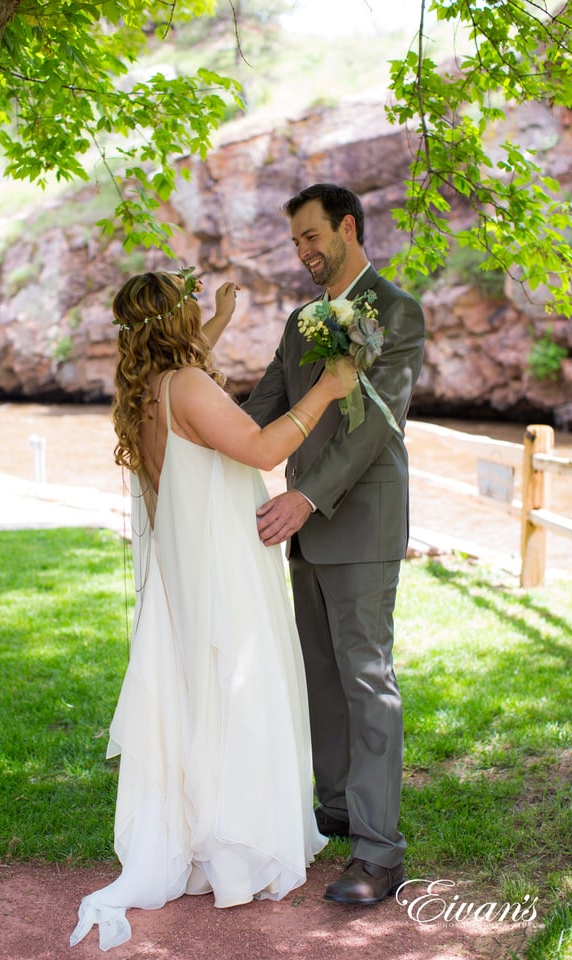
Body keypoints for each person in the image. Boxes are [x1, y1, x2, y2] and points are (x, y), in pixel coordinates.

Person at [70, 269, 356, 951]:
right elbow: (261, 447)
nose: (202, 305)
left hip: (188, 569)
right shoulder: (189, 387)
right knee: (240, 688)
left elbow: (189, 382)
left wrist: (219, 322)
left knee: (205, 689)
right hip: (222, 564)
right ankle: (239, 849)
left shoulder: (147, 389)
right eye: (193, 302)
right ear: (175, 319)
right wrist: (328, 386)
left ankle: (209, 833)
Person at [243, 183, 425, 906]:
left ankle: (380, 855)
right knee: (321, 675)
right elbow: (262, 409)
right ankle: (338, 810)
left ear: (348, 228)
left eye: (311, 237)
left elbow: (374, 427)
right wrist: (182, 405)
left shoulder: (399, 313)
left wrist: (307, 496)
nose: (303, 253)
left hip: (359, 522)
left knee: (366, 680)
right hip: (302, 532)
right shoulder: (299, 323)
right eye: (295, 243)